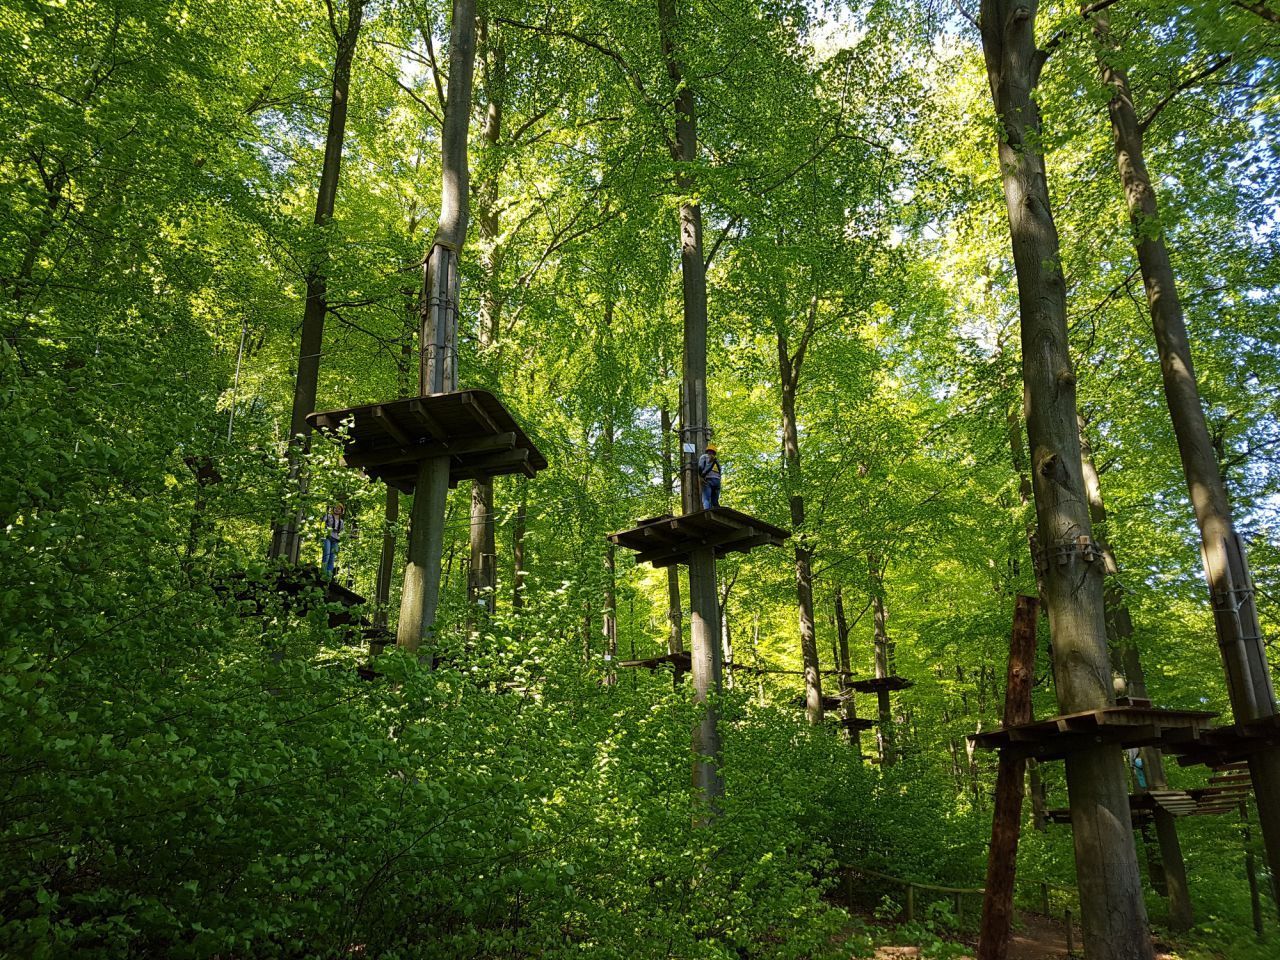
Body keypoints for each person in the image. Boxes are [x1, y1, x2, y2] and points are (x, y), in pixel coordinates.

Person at [322, 503, 344, 577]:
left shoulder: (341, 521)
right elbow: (322, 521)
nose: (337, 509)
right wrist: (325, 514)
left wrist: (351, 536)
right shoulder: (329, 516)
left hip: (335, 540)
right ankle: (323, 574)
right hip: (327, 537)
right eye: (335, 508)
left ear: (341, 511)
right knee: (326, 556)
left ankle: (328, 577)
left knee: (332, 559)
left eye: (339, 508)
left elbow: (342, 533)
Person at [698, 444, 721, 511]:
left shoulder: (704, 457)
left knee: (706, 499)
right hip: (717, 481)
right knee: (715, 501)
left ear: (707, 451)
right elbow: (720, 471)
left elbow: (700, 466)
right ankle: (717, 513)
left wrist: (701, 476)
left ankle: (707, 512)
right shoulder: (716, 460)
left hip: (708, 480)